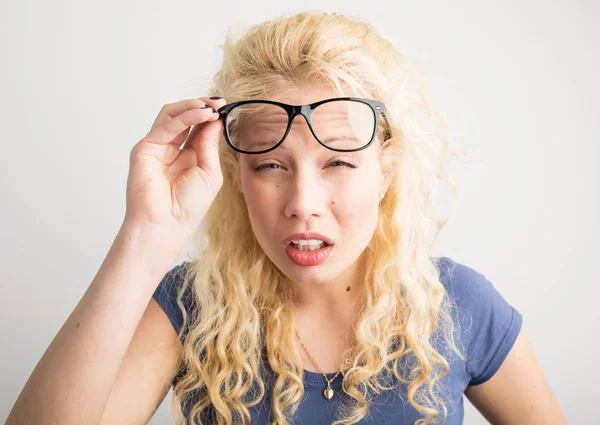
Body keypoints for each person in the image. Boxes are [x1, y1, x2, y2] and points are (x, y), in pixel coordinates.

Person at [6, 11, 566, 425]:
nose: (303, 201)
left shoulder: (461, 306)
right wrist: (146, 233)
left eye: (340, 162)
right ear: (237, 174)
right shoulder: (190, 306)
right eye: (271, 164)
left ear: (387, 171)